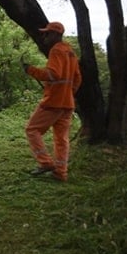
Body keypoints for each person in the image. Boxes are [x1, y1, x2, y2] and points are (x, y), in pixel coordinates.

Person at [23, 21, 82, 182]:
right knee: (61, 139)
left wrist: (31, 70)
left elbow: (53, 74)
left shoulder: (56, 50)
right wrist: (69, 93)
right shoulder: (70, 52)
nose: (44, 36)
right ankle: (61, 172)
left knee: (32, 129)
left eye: (47, 33)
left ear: (56, 35)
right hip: (67, 104)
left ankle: (45, 163)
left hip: (53, 102)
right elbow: (77, 78)